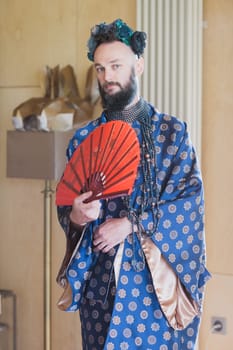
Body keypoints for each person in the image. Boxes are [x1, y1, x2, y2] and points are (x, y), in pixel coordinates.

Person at [56, 18, 211, 350]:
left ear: (138, 65)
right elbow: (66, 207)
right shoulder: (83, 139)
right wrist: (77, 216)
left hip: (153, 292)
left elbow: (189, 204)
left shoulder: (172, 134)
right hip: (101, 291)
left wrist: (129, 224)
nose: (107, 76)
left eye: (116, 65)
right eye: (100, 69)